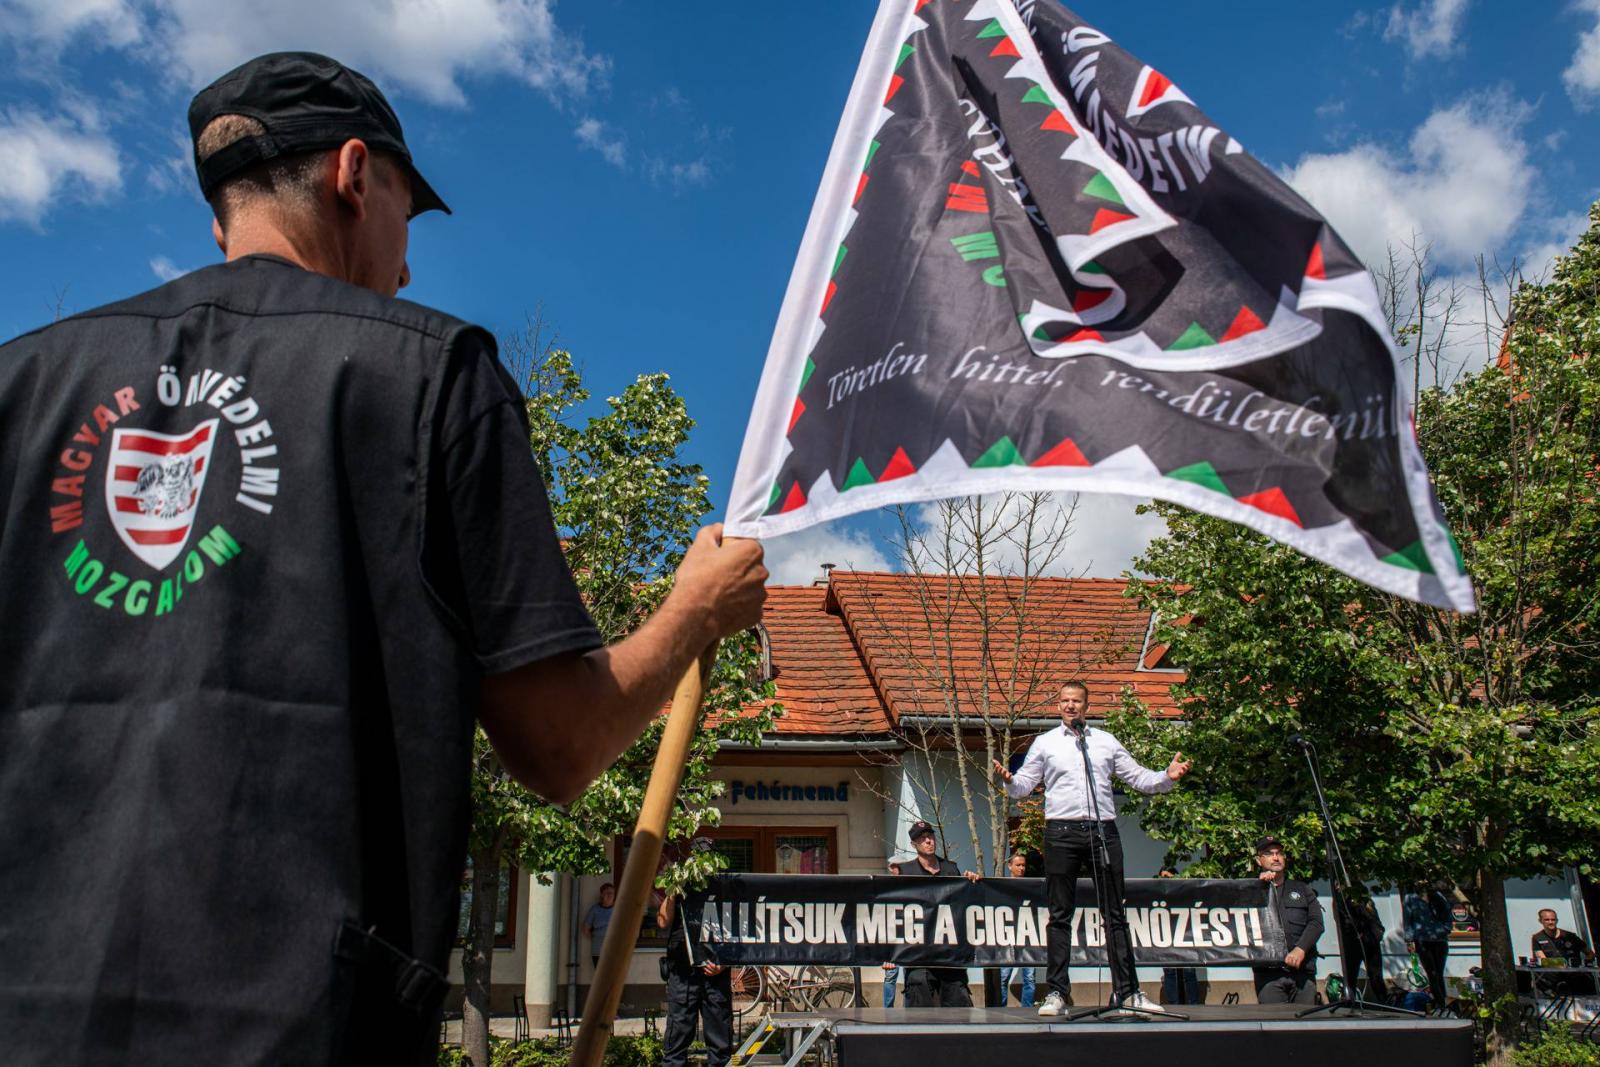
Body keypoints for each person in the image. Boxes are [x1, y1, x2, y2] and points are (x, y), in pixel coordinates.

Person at [0, 51, 768, 1066]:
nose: (405, 265)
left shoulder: (24, 385)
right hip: (297, 1022)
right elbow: (560, 743)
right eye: (409, 211)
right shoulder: (432, 373)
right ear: (354, 174)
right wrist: (693, 612)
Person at [992, 680, 1191, 1017]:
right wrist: (1010, 781)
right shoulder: (1046, 743)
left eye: (1077, 701)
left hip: (1102, 831)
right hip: (1061, 831)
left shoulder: (1104, 742)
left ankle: (1127, 992)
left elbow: (1139, 778)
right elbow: (1024, 786)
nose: (1071, 706)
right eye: (1065, 701)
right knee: (1060, 914)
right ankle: (1056, 991)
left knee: (1115, 914)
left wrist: (1167, 776)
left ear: (1087, 706)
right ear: (1058, 706)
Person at [891, 820, 982, 1007]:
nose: (928, 841)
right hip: (918, 957)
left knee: (960, 1013)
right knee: (919, 1015)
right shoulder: (905, 872)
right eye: (922, 838)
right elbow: (893, 914)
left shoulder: (951, 869)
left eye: (930, 836)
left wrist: (971, 882)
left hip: (949, 956)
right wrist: (889, 952)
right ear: (914, 844)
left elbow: (963, 905)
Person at [659, 892, 733, 1067]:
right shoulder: (680, 887)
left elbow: (737, 931)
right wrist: (672, 893)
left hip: (715, 976)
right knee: (676, 1040)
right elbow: (662, 921)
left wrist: (724, 962)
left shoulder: (724, 887)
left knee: (720, 1044)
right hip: (683, 974)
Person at [1249, 836, 1325, 1005]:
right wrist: (1259, 887)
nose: (1275, 857)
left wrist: (1300, 949)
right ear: (1259, 860)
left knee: (1306, 1027)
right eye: (1269, 854)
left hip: (1303, 972)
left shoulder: (1302, 889)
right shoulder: (1252, 891)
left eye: (1279, 853)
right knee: (1275, 1026)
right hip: (1269, 975)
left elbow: (1317, 923)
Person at [1403, 884, 1453, 1008]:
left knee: (1439, 973)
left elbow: (1448, 914)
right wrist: (1409, 940)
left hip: (1439, 940)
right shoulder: (1410, 898)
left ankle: (1442, 1003)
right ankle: (1441, 1004)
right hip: (1422, 940)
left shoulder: (1438, 896)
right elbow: (1408, 920)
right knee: (1432, 973)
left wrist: (1446, 929)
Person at [998, 852, 1037, 1007]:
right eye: (1018, 865)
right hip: (1007, 937)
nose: (1021, 868)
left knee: (1030, 977)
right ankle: (1000, 1010)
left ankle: (1027, 1009)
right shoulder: (1002, 887)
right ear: (1009, 866)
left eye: (1023, 865)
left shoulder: (1031, 887)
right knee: (1002, 977)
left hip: (1027, 937)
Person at [1157, 868, 1201, 1006]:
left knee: (1189, 971)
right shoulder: (1158, 894)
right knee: (1170, 971)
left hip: (1185, 935)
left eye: (1169, 877)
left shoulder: (1184, 893)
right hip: (1167, 937)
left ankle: (1193, 1004)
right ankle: (1174, 1004)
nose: (1166, 880)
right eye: (1163, 877)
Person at [585, 883, 617, 970]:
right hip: (598, 950)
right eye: (607, 893)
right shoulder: (595, 910)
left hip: (614, 950)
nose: (610, 895)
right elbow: (586, 928)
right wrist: (596, 938)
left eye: (612, 893)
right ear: (602, 894)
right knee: (600, 976)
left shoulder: (618, 910)